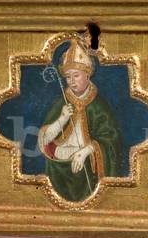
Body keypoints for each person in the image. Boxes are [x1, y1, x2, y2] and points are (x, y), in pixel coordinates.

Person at [37, 39, 123, 202]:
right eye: (68, 77)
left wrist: (86, 151)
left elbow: (111, 139)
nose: (71, 81)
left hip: (87, 165)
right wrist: (62, 119)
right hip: (59, 166)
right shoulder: (61, 103)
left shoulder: (99, 106)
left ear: (87, 75)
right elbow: (45, 139)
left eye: (76, 75)